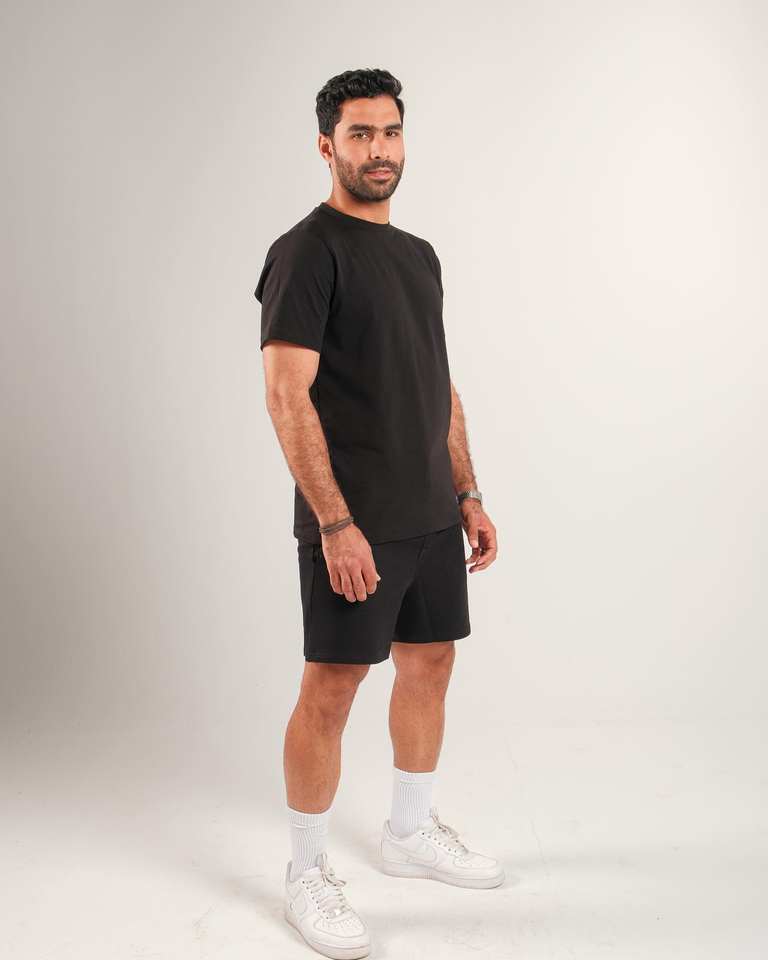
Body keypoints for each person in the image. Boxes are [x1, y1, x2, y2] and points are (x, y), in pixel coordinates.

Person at [254, 68, 503, 959]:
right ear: (327, 146)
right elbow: (287, 395)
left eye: (390, 132)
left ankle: (409, 832)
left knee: (430, 663)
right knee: (332, 686)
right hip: (353, 520)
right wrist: (334, 523)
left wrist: (467, 491)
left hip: (430, 511)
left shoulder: (419, 255)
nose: (379, 149)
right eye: (360, 134)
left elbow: (440, 385)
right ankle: (305, 874)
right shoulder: (305, 252)